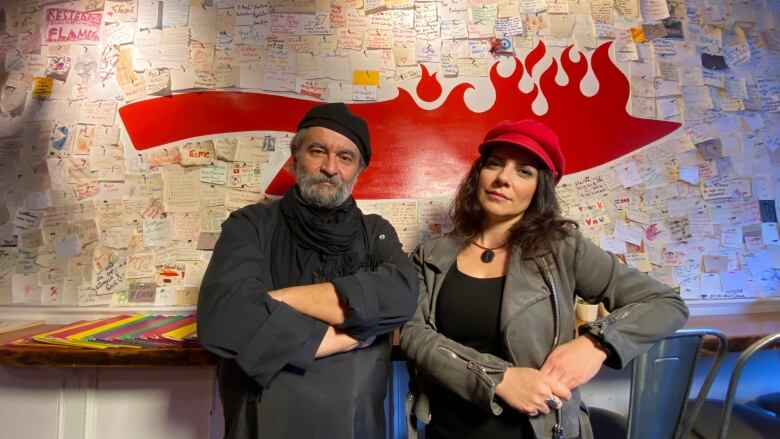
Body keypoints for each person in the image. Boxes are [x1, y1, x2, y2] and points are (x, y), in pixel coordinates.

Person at [400, 119, 689, 439]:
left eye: (524, 171)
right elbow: (414, 336)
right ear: (479, 173)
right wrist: (499, 378)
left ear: (541, 187)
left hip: (542, 430)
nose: (502, 179)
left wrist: (597, 343)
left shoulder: (563, 249)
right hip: (448, 430)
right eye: (495, 164)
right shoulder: (430, 255)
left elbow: (666, 303)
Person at [198, 103, 418, 439]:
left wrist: (281, 299)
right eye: (318, 151)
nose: (330, 167)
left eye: (345, 158)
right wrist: (336, 339)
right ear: (295, 155)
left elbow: (401, 295)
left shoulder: (375, 232)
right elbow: (224, 318)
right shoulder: (249, 225)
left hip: (355, 426)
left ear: (359, 169)